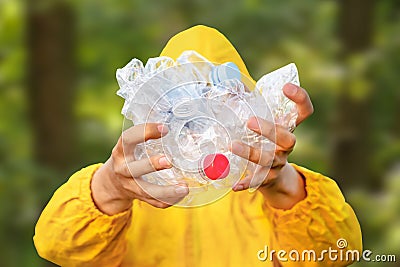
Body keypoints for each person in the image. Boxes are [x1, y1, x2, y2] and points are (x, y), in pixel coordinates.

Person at [34, 25, 362, 267]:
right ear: (153, 110)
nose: (200, 128)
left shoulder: (267, 188)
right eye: (183, 107)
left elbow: (340, 252)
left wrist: (284, 186)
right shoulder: (133, 190)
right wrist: (109, 188)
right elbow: (57, 247)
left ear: (245, 107)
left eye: (218, 104)